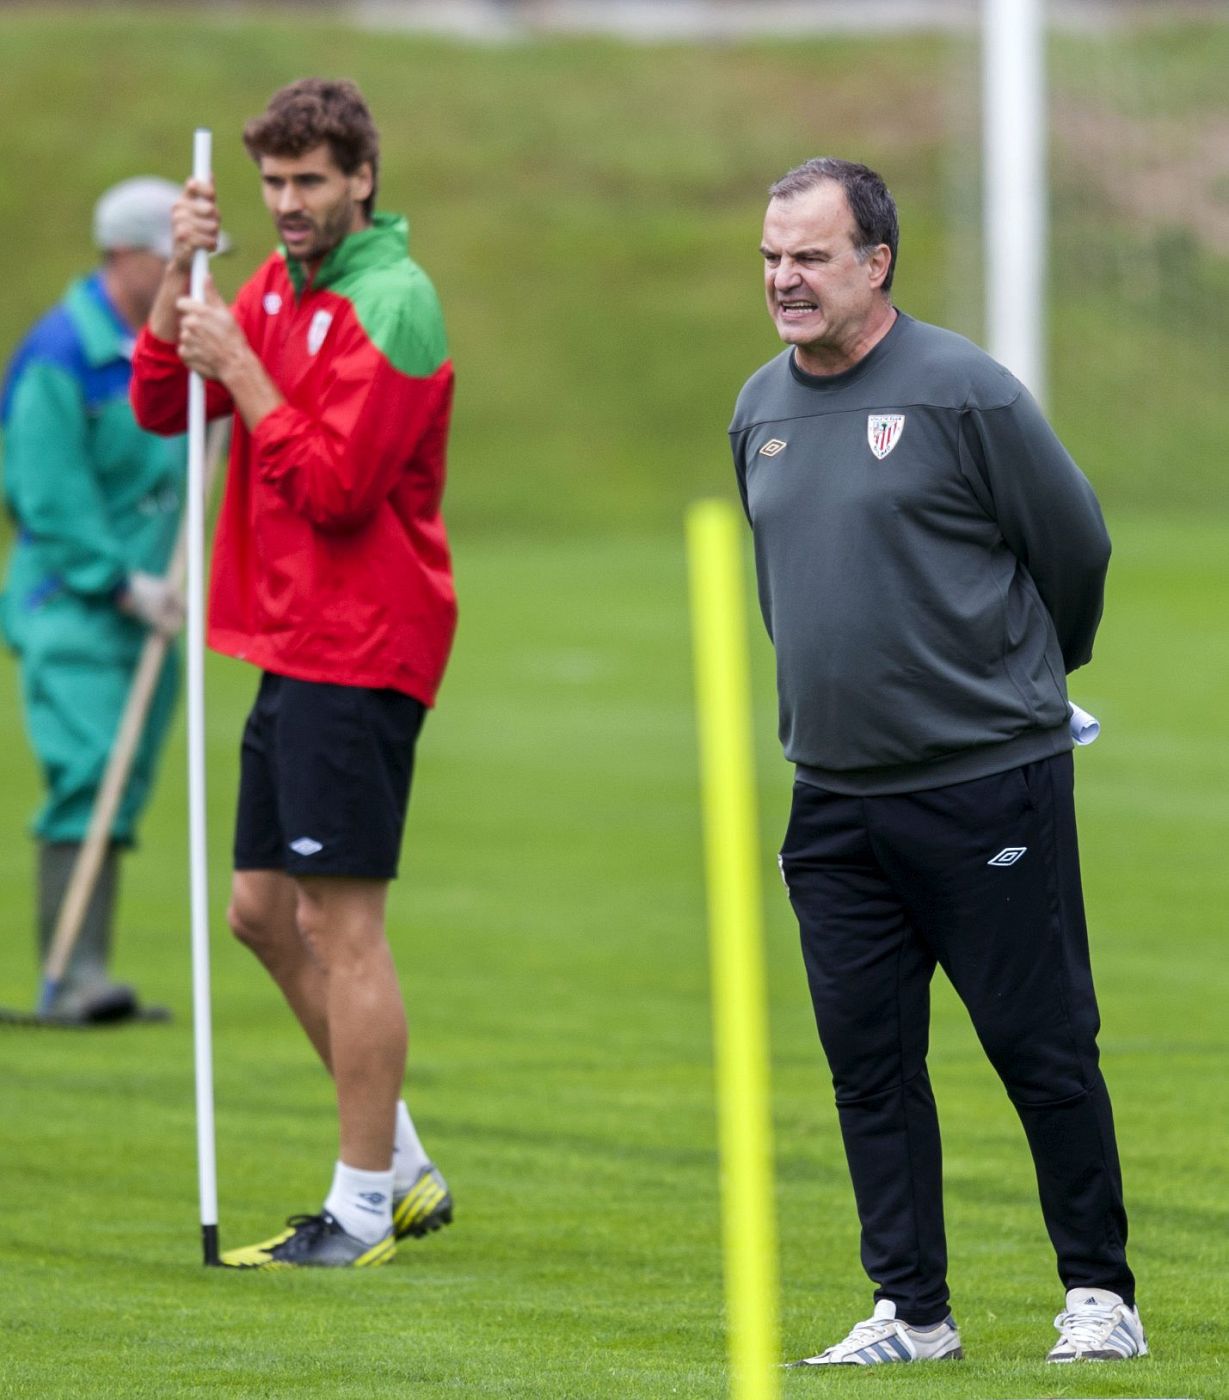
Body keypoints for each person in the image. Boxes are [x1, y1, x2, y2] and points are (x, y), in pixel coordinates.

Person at [729, 157, 1144, 1366]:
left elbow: (1074, 548)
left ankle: (1097, 1293)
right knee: (867, 1066)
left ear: (875, 262)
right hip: (832, 798)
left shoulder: (966, 391)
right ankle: (910, 1309)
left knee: (1039, 1044)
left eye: (809, 256)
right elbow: (787, 597)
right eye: (770, 257)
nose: (784, 279)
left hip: (983, 785)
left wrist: (1022, 687)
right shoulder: (756, 406)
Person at [130, 78, 457, 1268]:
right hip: (284, 638)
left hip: (363, 641)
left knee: (339, 921)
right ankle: (403, 1156)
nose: (289, 204)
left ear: (362, 178)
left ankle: (363, 1202)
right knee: (261, 912)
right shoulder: (267, 287)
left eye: (309, 181)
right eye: (273, 184)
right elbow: (163, 401)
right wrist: (182, 278)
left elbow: (336, 489)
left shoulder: (395, 302)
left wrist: (248, 373)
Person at [1, 178, 188, 1024]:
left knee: (127, 776)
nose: (186, 277)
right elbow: (45, 493)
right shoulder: (62, 353)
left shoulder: (172, 343)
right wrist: (120, 583)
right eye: (172, 260)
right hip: (74, 606)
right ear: (123, 255)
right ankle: (71, 975)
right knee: (88, 773)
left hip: (152, 609)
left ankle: (91, 969)